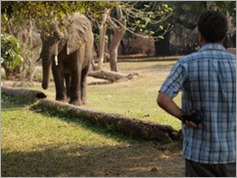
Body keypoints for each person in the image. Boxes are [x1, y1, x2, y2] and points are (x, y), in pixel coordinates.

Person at [157, 10, 236, 177]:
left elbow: (163, 98)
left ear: (200, 36)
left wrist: (183, 116)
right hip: (232, 154)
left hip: (199, 154)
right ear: (224, 36)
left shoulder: (186, 64)